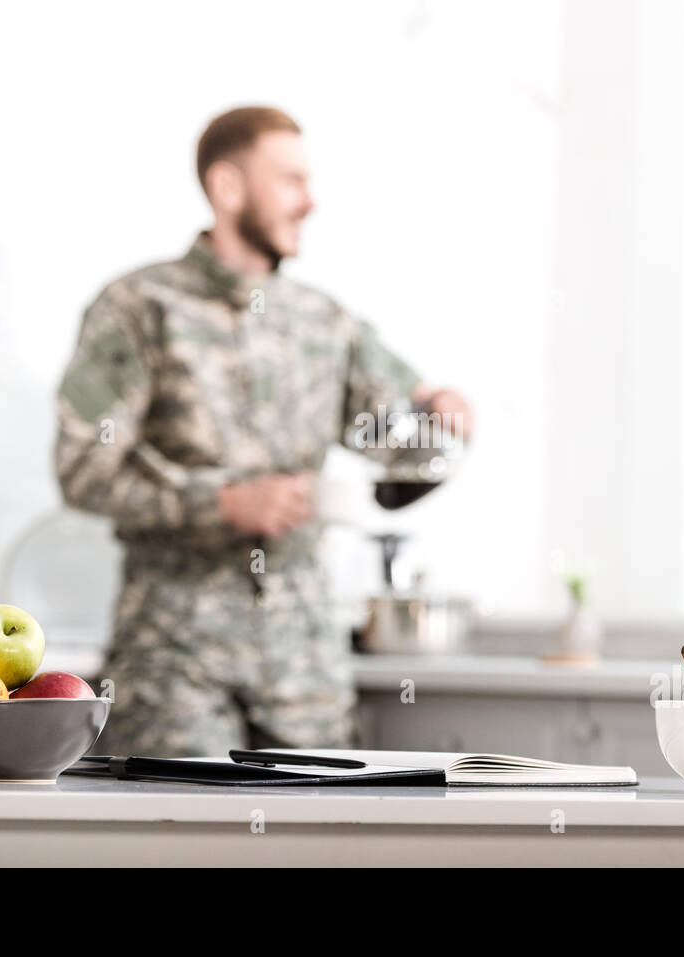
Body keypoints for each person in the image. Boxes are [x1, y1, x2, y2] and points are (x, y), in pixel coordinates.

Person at [53, 106, 472, 756]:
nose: (310, 201)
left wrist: (443, 419)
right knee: (186, 845)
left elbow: (402, 452)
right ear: (228, 188)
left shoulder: (326, 322)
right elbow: (82, 469)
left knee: (321, 851)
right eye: (291, 180)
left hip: (305, 669)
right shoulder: (138, 308)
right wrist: (222, 503)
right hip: (173, 662)